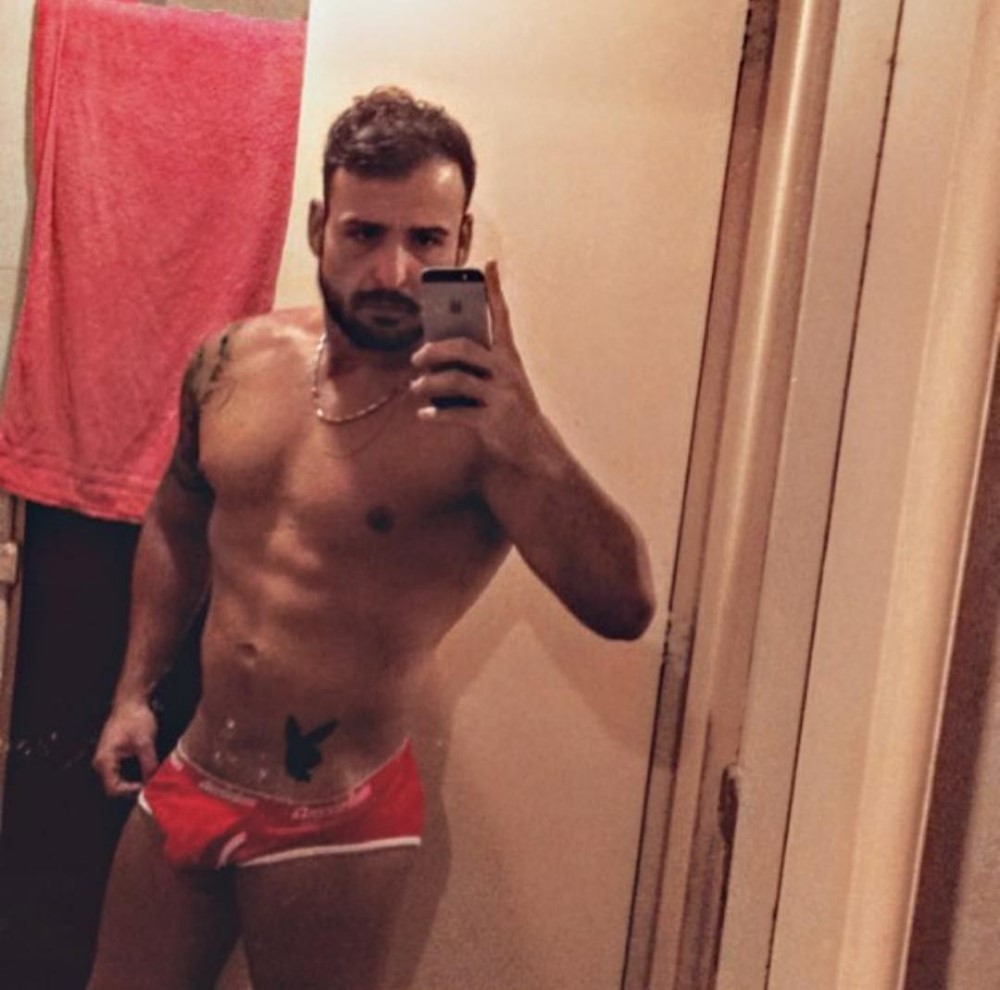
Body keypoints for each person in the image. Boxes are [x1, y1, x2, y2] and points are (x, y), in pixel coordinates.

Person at [88, 86, 654, 990]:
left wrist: (527, 434)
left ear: (462, 244)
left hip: (336, 816)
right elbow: (177, 517)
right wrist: (133, 692)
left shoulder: (482, 424)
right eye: (364, 234)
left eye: (425, 239)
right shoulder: (234, 361)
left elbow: (624, 606)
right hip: (195, 767)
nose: (393, 272)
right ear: (319, 226)